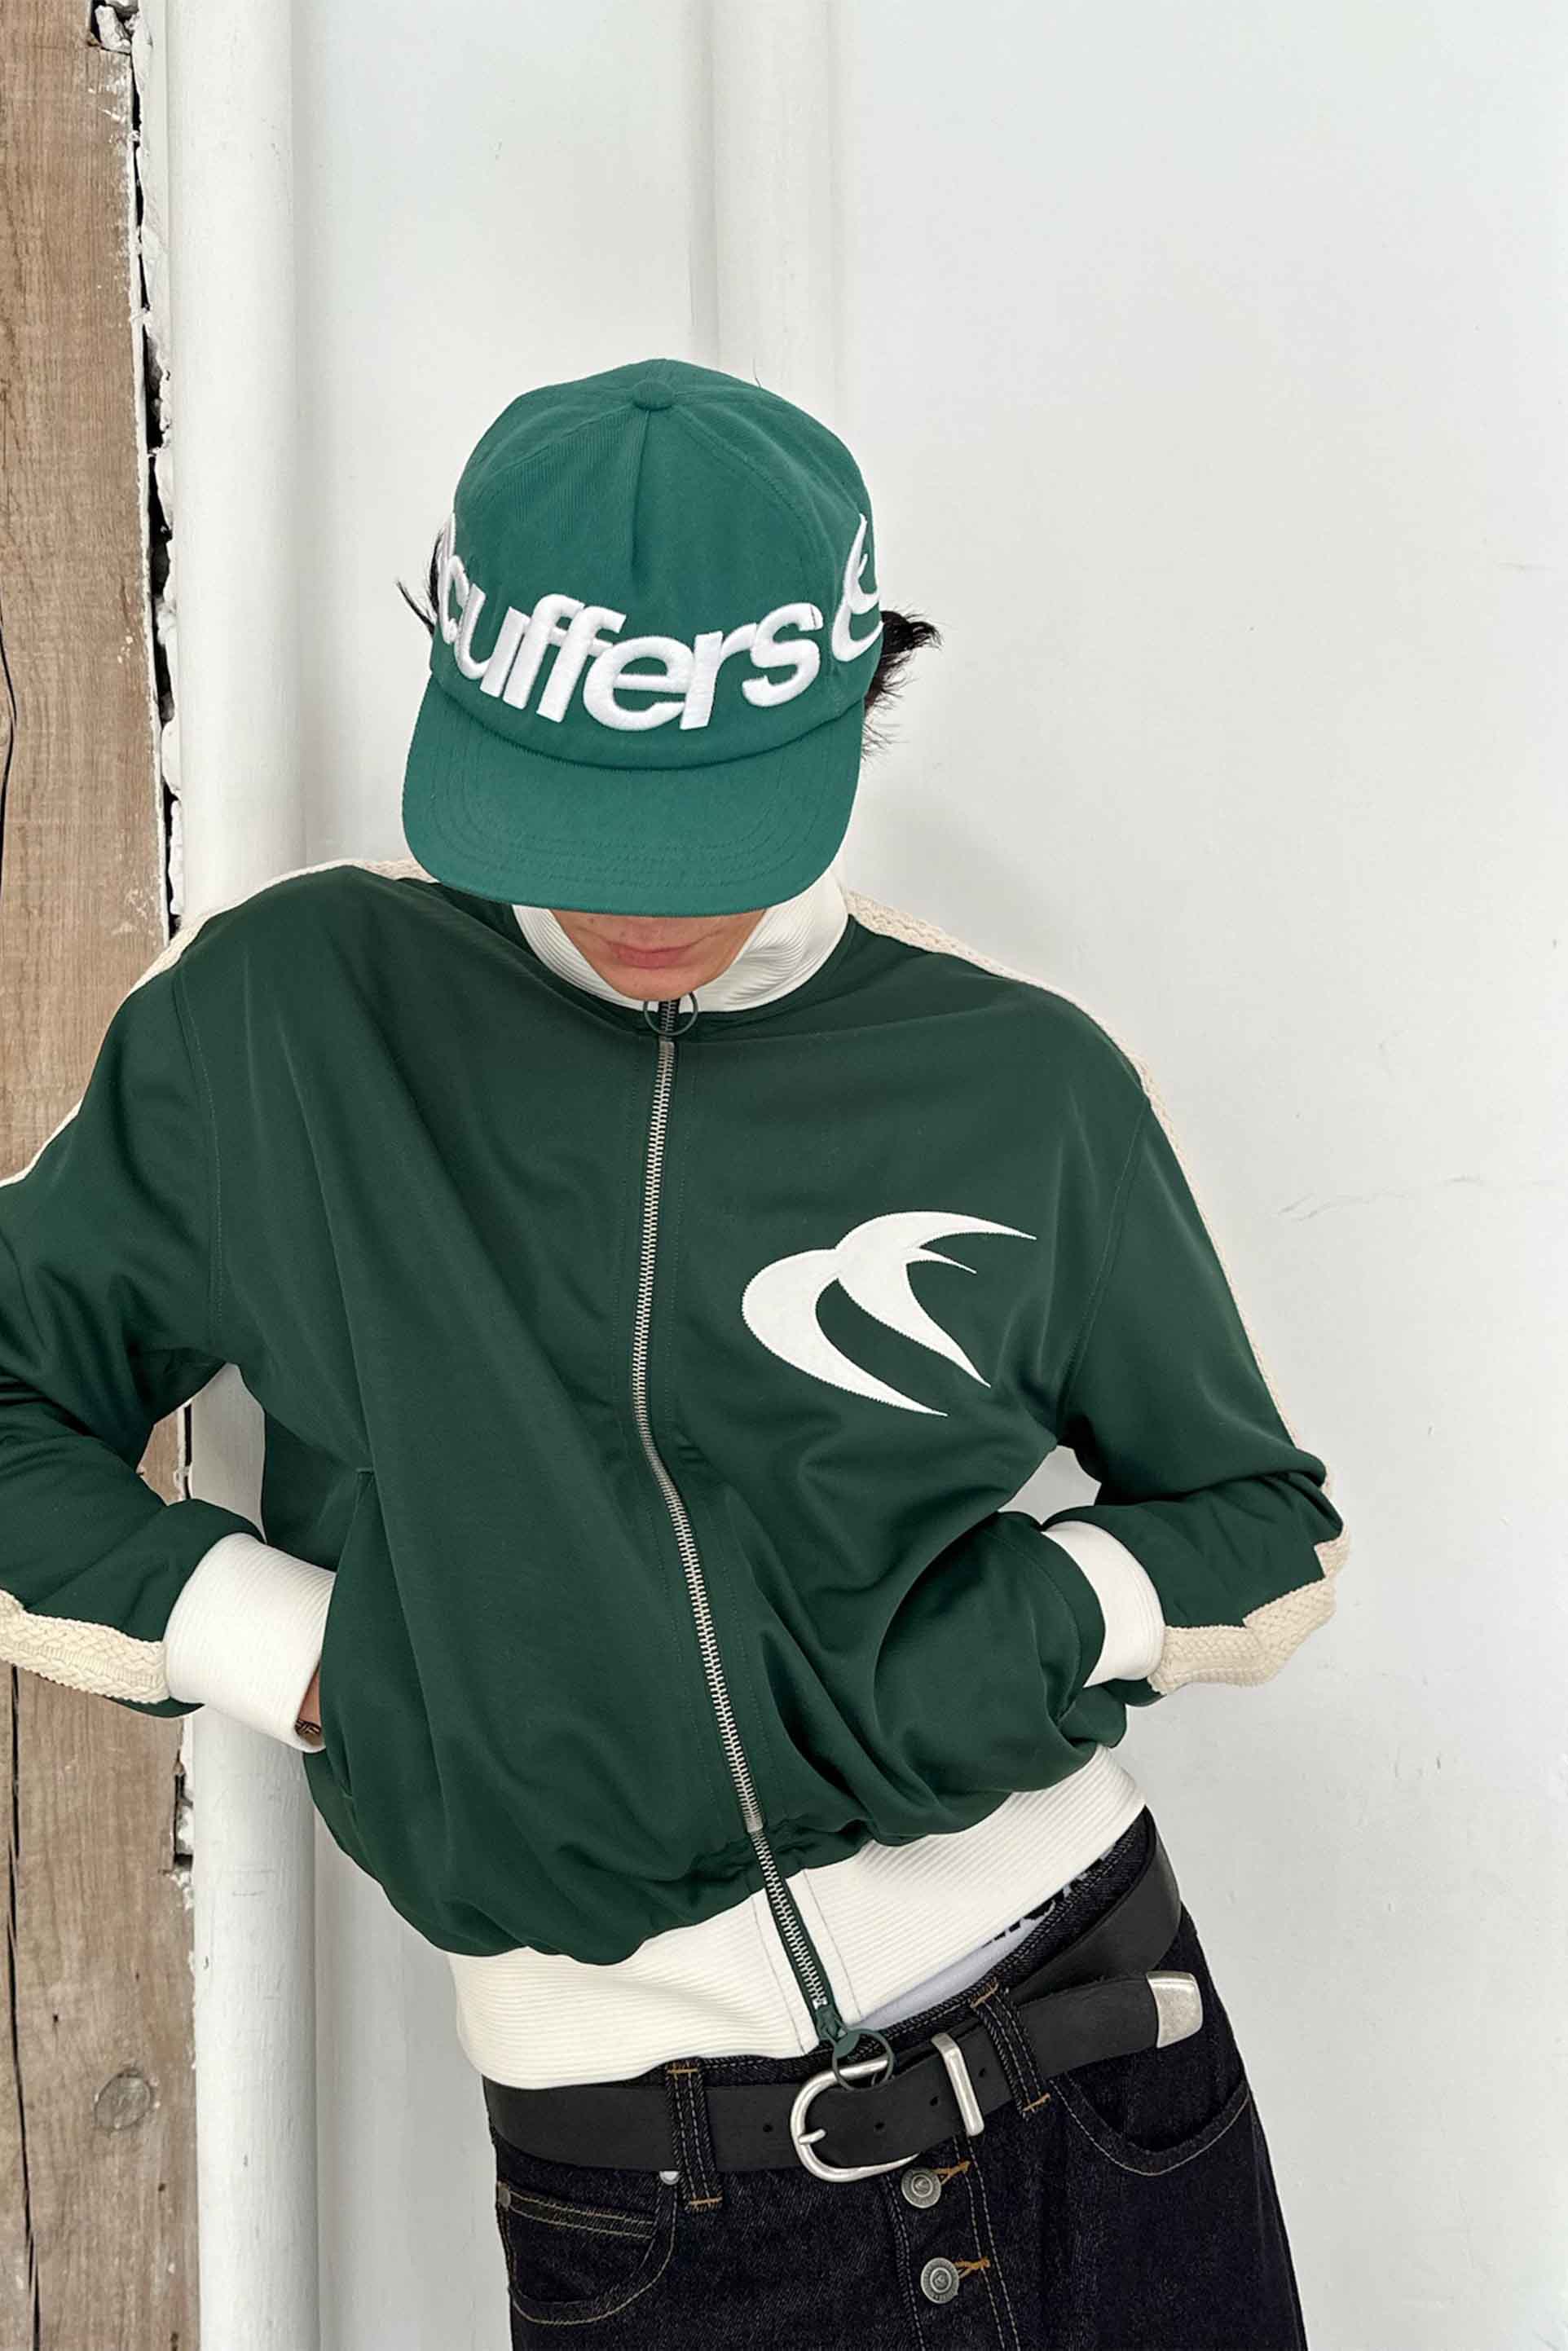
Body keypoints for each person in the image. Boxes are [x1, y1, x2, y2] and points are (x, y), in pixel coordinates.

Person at [0, 355, 1348, 2347]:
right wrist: (323, 1661)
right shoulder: (290, 1021)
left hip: (1099, 2080)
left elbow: (1261, 1530)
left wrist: (1004, 1637)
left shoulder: (1016, 1081)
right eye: (577, 817)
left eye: (702, 826)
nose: (640, 904)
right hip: (652, 2189)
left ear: (845, 696)